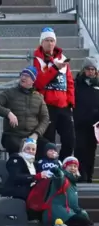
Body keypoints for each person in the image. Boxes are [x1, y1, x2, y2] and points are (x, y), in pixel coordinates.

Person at [33, 27, 75, 160]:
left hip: (64, 106)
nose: (50, 43)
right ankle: (48, 165)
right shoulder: (38, 59)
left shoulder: (63, 58)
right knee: (48, 141)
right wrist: (55, 68)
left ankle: (63, 164)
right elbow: (40, 81)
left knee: (70, 140)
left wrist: (70, 102)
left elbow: (69, 82)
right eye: (47, 40)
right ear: (42, 42)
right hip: (47, 106)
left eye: (52, 40)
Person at [0, 66, 49, 155]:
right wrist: (8, 113)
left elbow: (45, 118)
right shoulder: (10, 93)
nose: (23, 77)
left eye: (27, 76)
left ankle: (38, 168)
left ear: (33, 80)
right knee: (20, 147)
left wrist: (36, 134)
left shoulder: (39, 97)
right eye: (22, 75)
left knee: (48, 147)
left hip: (32, 136)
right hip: (13, 135)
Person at [3, 138, 52, 219]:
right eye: (28, 148)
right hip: (18, 190)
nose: (31, 151)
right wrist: (35, 177)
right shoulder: (15, 160)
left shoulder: (35, 163)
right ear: (22, 149)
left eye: (33, 149)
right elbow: (15, 177)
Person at [43, 156, 91, 226]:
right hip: (56, 213)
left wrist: (81, 212)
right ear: (64, 167)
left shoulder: (73, 184)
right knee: (85, 223)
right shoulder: (62, 177)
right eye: (70, 166)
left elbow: (73, 205)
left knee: (87, 223)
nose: (73, 168)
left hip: (66, 213)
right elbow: (59, 179)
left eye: (75, 166)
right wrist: (58, 172)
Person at [74, 57, 99, 182]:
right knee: (80, 149)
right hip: (80, 124)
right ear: (83, 70)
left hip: (94, 126)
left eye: (93, 69)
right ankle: (80, 176)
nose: (91, 71)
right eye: (88, 69)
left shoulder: (97, 85)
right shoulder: (76, 84)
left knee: (91, 151)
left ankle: (88, 176)